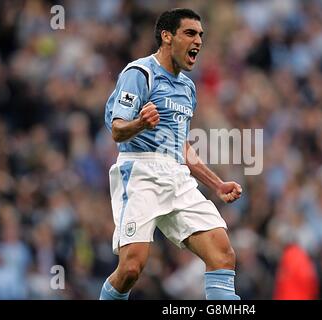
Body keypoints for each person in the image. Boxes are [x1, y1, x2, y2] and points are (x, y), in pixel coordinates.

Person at [99, 8, 242, 300]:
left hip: (176, 173)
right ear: (167, 36)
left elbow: (181, 146)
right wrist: (140, 123)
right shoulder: (139, 73)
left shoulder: (187, 88)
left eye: (201, 35)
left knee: (222, 253)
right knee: (131, 269)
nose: (198, 41)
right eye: (190, 33)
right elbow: (117, 130)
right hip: (140, 171)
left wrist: (216, 184)